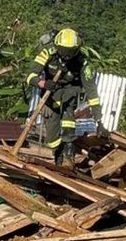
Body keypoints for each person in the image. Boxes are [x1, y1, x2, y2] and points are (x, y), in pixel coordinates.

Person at [25, 28, 104, 167]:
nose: (67, 55)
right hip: (51, 92)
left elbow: (92, 92)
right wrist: (43, 83)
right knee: (52, 136)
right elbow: (30, 76)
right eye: (63, 51)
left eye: (70, 51)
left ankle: (69, 148)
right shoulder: (47, 53)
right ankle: (58, 153)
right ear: (57, 47)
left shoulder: (83, 63)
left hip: (70, 91)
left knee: (68, 103)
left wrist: (99, 121)